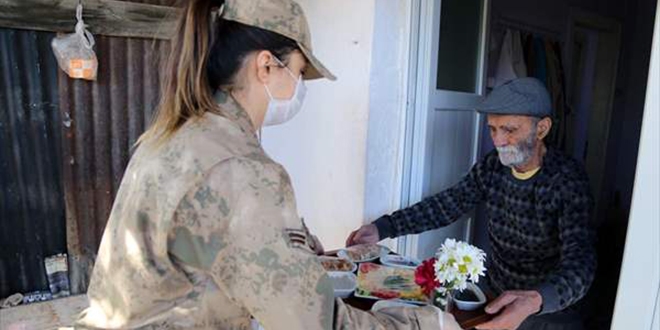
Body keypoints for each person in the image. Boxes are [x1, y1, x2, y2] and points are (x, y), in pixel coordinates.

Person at [74, 0, 460, 329]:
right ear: (266, 67)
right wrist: (428, 322)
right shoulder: (241, 168)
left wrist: (294, 245)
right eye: (299, 71)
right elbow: (313, 324)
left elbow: (205, 248)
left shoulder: (180, 134)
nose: (301, 86)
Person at [347, 78, 597, 330]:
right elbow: (449, 203)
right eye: (492, 129)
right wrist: (384, 227)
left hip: (548, 309)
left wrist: (537, 299)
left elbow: (581, 262)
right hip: (496, 293)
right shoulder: (492, 166)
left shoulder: (567, 181)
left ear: (541, 129)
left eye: (509, 130)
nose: (497, 141)